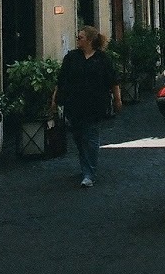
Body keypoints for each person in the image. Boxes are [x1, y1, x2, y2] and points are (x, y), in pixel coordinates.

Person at [52, 25, 121, 188]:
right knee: (78, 137)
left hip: (95, 104)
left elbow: (112, 80)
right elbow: (61, 81)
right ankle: (86, 167)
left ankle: (89, 173)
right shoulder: (71, 57)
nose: (77, 39)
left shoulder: (102, 59)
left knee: (90, 136)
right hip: (73, 103)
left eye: (80, 37)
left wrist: (118, 99)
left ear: (89, 40)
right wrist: (54, 100)